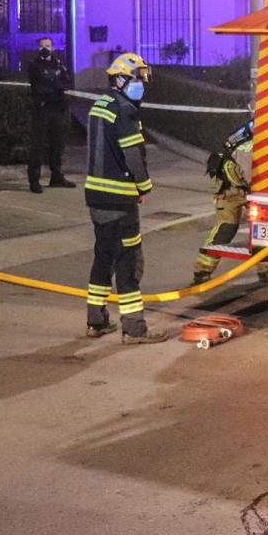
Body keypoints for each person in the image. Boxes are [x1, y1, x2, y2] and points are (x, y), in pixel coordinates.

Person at [84, 53, 168, 344]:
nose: (142, 84)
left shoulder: (99, 105)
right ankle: (134, 329)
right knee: (128, 263)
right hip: (120, 199)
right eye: (137, 78)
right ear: (120, 79)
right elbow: (133, 155)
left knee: (102, 256)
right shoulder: (124, 110)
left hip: (95, 197)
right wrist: (143, 187)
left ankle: (96, 320)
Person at [193, 122, 268, 286]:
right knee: (225, 229)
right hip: (231, 190)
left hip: (248, 188)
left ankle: (267, 272)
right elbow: (249, 175)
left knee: (263, 230)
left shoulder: (257, 143)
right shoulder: (248, 148)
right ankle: (202, 272)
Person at [26, 37, 75, 193]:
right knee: (37, 146)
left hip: (58, 110)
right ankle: (34, 180)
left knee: (57, 145)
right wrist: (56, 87)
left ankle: (57, 177)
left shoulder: (60, 65)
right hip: (42, 109)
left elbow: (67, 83)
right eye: (41, 46)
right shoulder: (34, 65)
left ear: (53, 48)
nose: (44, 49)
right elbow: (39, 86)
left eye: (47, 46)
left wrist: (56, 87)